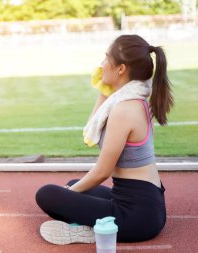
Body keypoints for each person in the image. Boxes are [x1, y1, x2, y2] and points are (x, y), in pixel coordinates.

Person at [35, 34, 174, 244]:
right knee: (74, 183)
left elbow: (102, 172)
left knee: (47, 194)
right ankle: (96, 225)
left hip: (137, 216)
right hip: (142, 203)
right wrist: (104, 91)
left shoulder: (124, 109)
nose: (101, 64)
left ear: (121, 69)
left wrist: (69, 193)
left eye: (106, 57)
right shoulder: (133, 99)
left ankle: (98, 231)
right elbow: (92, 131)